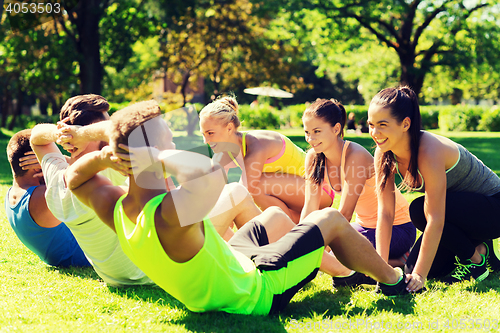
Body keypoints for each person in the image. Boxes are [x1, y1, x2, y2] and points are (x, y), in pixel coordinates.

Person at [65, 100, 412, 316]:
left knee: (275, 217)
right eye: (170, 141)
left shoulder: (120, 210)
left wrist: (103, 155)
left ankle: (334, 266)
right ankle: (394, 280)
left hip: (225, 274)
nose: (178, 144)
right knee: (331, 218)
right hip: (253, 294)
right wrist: (153, 155)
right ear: (154, 152)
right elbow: (205, 175)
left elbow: (76, 180)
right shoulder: (168, 214)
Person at [368, 86, 500, 293]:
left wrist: (420, 276)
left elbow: (435, 218)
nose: (375, 133)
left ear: (405, 124)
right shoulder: (383, 153)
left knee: (419, 210)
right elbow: (385, 213)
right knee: (417, 270)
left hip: (493, 209)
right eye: (371, 125)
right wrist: (381, 271)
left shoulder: (429, 150)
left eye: (382, 125)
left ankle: (476, 256)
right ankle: (480, 248)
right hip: (460, 215)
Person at [30, 94, 154, 286]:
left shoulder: (57, 180)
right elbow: (124, 130)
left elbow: (37, 137)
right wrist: (81, 134)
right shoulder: (112, 166)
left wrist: (60, 134)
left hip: (114, 279)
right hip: (151, 272)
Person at [302, 99, 416, 286]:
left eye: (317, 132)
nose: (310, 139)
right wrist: (300, 240)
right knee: (328, 255)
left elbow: (345, 213)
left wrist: (310, 249)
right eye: (307, 132)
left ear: (336, 129)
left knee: (338, 255)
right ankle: (389, 262)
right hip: (364, 227)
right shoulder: (313, 158)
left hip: (398, 228)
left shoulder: (354, 156)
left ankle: (400, 261)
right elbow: (309, 206)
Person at [199, 96, 332, 223]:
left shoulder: (256, 145)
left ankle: (288, 232)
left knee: (255, 187)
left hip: (320, 191)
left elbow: (241, 193)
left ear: (229, 128)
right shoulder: (222, 155)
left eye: (210, 133)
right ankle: (291, 228)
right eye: (203, 134)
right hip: (294, 199)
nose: (206, 140)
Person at [4, 129, 90, 268]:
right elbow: (88, 175)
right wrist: (64, 160)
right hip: (86, 258)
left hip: (69, 257)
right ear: (38, 168)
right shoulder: (43, 196)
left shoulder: (12, 195)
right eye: (51, 159)